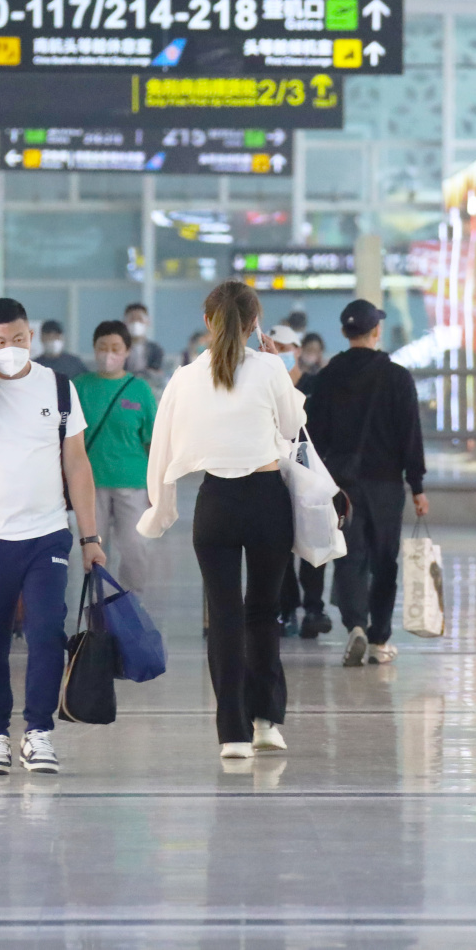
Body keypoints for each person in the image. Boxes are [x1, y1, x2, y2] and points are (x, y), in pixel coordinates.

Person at [140, 281, 307, 758]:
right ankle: (266, 723)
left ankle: (231, 733)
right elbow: (292, 428)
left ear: (207, 321)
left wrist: (160, 510)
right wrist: (278, 369)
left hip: (215, 503)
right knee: (263, 613)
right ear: (255, 323)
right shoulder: (270, 367)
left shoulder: (184, 377)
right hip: (266, 500)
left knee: (225, 615)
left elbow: (162, 447)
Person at [0, 298, 105, 778]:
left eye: (18, 339)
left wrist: (90, 537)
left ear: (31, 337)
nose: (10, 348)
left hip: (45, 534)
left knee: (46, 634)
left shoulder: (58, 386)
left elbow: (77, 464)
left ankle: (38, 732)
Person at [306, 299, 430, 667]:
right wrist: (417, 485)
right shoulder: (397, 377)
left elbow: (313, 434)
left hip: (341, 484)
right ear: (376, 331)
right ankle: (379, 638)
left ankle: (355, 626)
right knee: (384, 560)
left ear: (344, 332)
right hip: (386, 484)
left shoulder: (328, 376)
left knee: (350, 556)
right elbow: (410, 434)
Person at [78, 320, 161, 595]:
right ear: (94, 349)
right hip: (90, 485)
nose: (108, 354)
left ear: (127, 351)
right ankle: (97, 607)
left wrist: (158, 487)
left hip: (132, 483)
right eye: (103, 347)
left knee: (135, 547)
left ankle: (131, 603)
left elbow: (153, 443)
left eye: (115, 348)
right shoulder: (79, 387)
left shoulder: (140, 390)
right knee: (94, 550)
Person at [261, 324, 328, 638]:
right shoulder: (263, 386)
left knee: (314, 537)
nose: (279, 353)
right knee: (280, 543)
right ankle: (285, 607)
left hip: (311, 472)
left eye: (285, 348)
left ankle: (314, 607)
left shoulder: (316, 386)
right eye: (273, 347)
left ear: (297, 351)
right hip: (275, 472)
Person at [123, 302, 166, 384]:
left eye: (140, 319)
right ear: (125, 322)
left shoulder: (156, 350)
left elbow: (157, 374)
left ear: (148, 321)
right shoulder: (119, 349)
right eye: (132, 319)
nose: (136, 323)